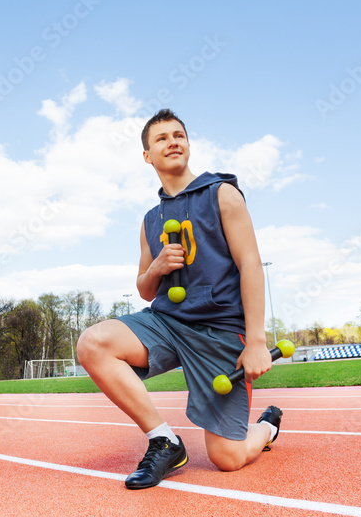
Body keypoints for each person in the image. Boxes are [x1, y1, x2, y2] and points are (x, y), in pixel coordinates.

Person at [77, 109, 283, 490]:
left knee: (227, 458)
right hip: (168, 323)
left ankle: (267, 426)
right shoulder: (150, 220)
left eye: (179, 135)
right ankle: (165, 441)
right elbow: (144, 289)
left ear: (188, 144)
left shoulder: (222, 194)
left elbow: (251, 264)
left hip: (220, 330)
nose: (172, 141)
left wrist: (255, 340)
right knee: (93, 342)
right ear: (147, 156)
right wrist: (155, 268)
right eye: (161, 138)